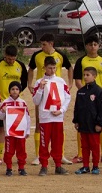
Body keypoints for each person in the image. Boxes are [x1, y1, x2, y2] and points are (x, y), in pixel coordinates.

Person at [28, 33, 73, 166]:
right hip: (43, 92)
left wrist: (69, 84)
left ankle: (60, 154)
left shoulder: (59, 55)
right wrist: (29, 84)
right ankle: (38, 155)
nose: (42, 47)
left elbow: (70, 67)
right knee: (39, 123)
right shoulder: (37, 55)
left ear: (51, 44)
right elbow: (30, 69)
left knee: (58, 127)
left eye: (44, 44)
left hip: (57, 94)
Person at [72, 35, 102, 164]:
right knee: (83, 124)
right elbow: (78, 80)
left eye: (95, 44)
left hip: (101, 97)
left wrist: (100, 94)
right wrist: (85, 94)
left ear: (99, 46)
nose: (93, 46)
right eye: (90, 44)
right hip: (85, 99)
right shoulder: (81, 61)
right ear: (86, 46)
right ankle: (80, 154)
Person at [0, 45, 28, 165]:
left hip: (16, 104)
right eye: (9, 59)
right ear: (4, 55)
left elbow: (24, 82)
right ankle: (0, 155)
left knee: (15, 129)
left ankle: (17, 155)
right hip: (2, 102)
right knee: (1, 129)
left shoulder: (20, 65)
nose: (11, 61)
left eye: (13, 59)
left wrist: (16, 95)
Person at [72, 67, 102, 175]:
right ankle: (85, 166)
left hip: (94, 125)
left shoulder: (99, 91)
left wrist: (99, 123)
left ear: (94, 76)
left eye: (88, 75)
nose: (85, 77)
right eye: (84, 75)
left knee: (95, 146)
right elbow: (77, 107)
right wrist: (76, 121)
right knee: (85, 146)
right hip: (83, 124)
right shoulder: (80, 92)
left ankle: (96, 166)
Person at [0, 81, 30, 176]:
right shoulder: (5, 103)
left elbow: (27, 118)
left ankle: (21, 168)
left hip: (20, 132)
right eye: (12, 89)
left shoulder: (23, 103)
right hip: (10, 133)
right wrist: (3, 112)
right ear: (9, 91)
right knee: (9, 151)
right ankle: (9, 168)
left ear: (20, 91)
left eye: (17, 89)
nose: (15, 91)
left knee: (21, 151)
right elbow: (0, 117)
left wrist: (27, 130)